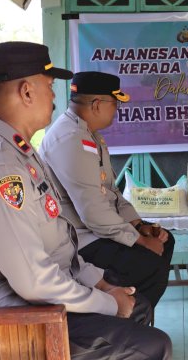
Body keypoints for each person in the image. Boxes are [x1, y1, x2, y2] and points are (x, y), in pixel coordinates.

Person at [0, 41, 171, 360]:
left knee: (138, 306)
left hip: (32, 306)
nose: (55, 95)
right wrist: (106, 302)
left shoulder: (19, 151)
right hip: (6, 320)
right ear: (26, 90)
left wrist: (100, 282)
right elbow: (34, 279)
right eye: (49, 85)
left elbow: (57, 241)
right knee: (152, 352)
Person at [40, 71, 175, 314]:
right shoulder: (71, 139)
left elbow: (111, 192)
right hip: (79, 239)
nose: (117, 111)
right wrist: (140, 240)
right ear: (96, 104)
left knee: (165, 241)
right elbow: (94, 212)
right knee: (151, 264)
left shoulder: (91, 137)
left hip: (97, 229)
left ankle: (138, 314)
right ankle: (128, 319)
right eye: (115, 104)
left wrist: (137, 224)